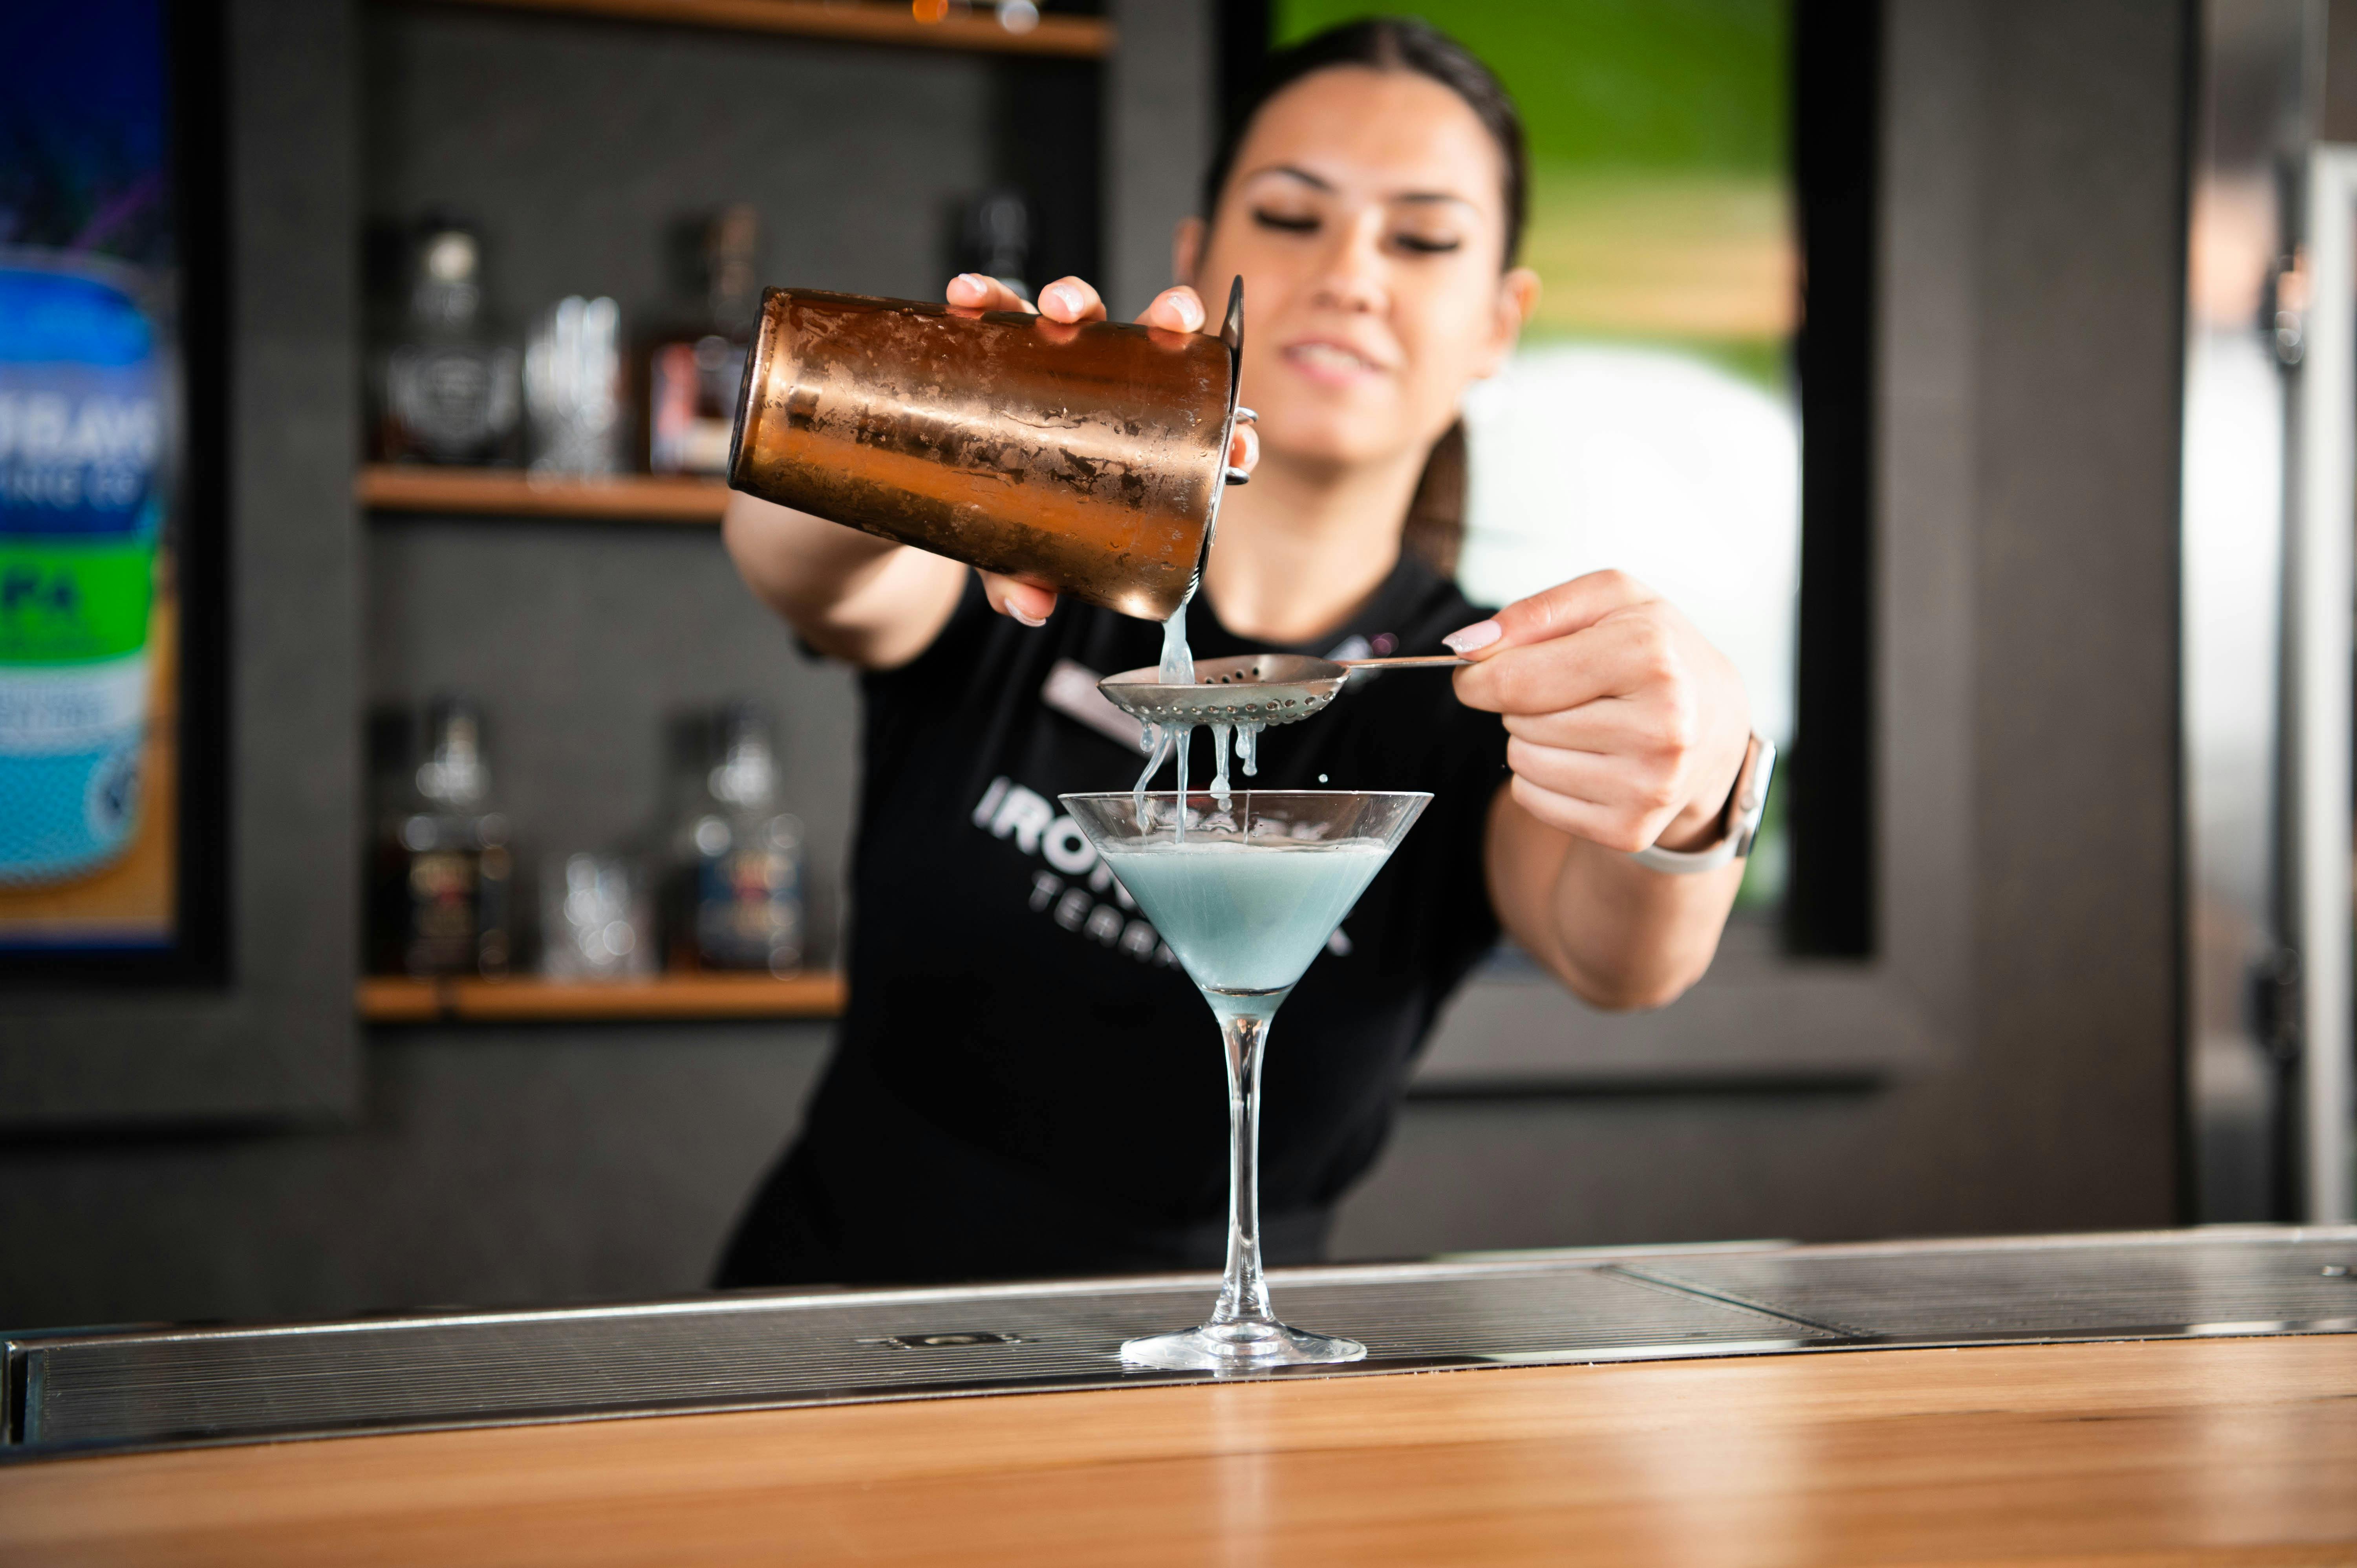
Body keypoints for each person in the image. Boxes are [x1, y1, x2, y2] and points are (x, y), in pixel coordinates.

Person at [716, 18, 1756, 1287]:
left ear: (1498, 323)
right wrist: (945, 416)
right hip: (827, 1340)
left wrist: (1700, 782)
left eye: (1422, 238)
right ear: (1199, 264)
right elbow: (793, 556)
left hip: (1215, 1403)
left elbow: (1622, 957)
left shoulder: (1468, 687)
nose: (1352, 274)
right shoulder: (1022, 559)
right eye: (1292, 215)